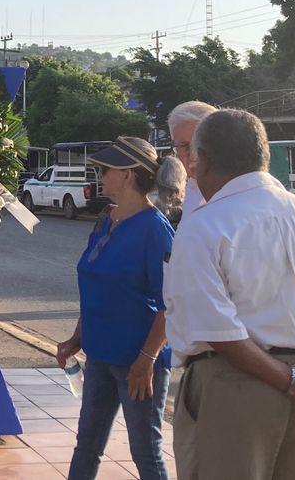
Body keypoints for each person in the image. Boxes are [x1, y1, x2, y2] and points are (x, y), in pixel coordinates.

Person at [166, 110, 295, 480]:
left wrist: (292, 380)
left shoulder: (204, 224)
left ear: (204, 160)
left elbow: (218, 329)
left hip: (235, 385)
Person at [55, 137, 179, 480]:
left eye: (104, 169)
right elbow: (95, 283)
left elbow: (170, 304)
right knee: (87, 446)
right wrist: (77, 337)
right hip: (99, 356)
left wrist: (147, 360)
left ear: (127, 175)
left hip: (137, 364)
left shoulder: (155, 230)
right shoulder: (105, 220)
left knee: (145, 454)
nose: (99, 175)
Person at [167, 100, 216, 213]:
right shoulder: (190, 194)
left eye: (199, 144)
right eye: (183, 146)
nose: (193, 156)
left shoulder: (241, 198)